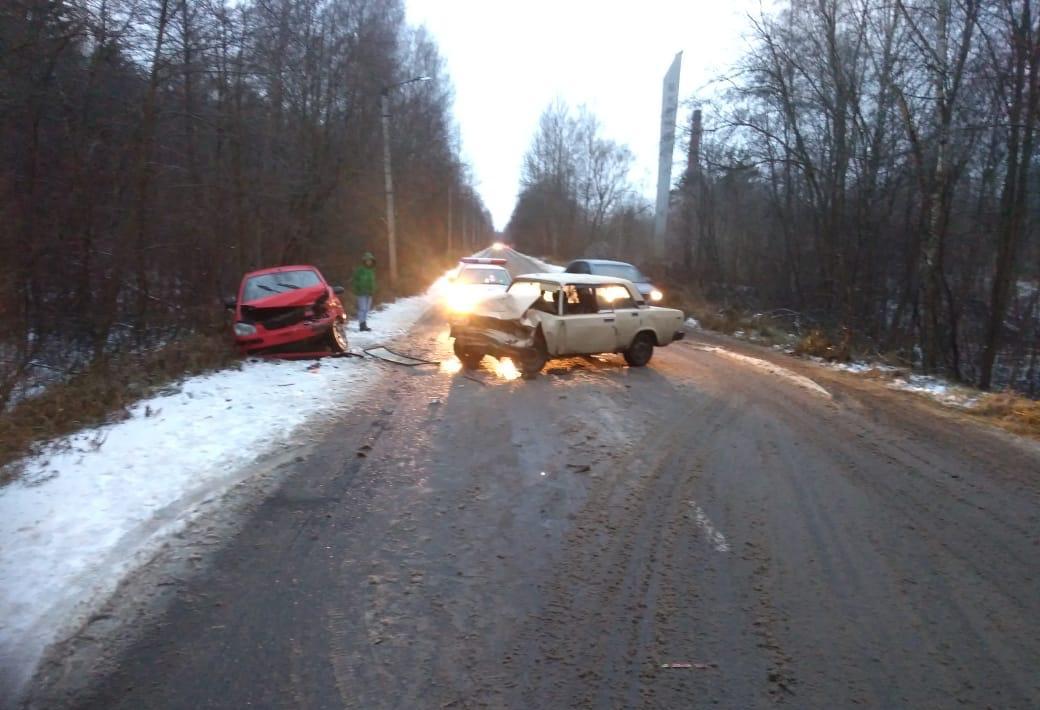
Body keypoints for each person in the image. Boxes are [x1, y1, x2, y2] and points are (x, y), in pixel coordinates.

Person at [352, 252, 376, 331]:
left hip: (369, 293)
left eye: (370, 260)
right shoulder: (360, 270)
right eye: (367, 260)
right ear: (364, 261)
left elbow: (373, 281)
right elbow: (355, 280)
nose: (369, 262)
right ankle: (361, 325)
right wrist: (357, 289)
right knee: (362, 309)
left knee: (367, 309)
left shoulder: (371, 270)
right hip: (361, 293)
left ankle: (364, 324)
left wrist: (373, 289)